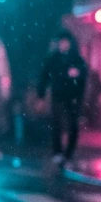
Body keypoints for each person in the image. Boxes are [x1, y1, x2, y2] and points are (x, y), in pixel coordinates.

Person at [37, 31, 88, 164]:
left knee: (72, 125)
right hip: (58, 95)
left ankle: (69, 152)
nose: (63, 45)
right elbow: (44, 76)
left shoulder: (76, 59)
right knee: (57, 124)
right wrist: (41, 95)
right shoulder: (53, 59)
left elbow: (84, 75)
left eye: (65, 42)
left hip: (72, 96)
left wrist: (77, 76)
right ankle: (57, 152)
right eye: (61, 42)